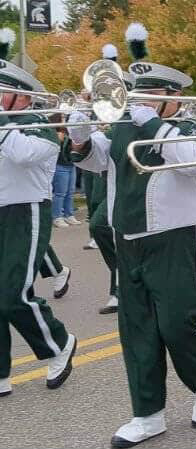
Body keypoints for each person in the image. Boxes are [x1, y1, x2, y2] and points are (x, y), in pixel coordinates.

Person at [69, 23, 196, 447]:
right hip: (129, 238)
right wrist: (81, 132)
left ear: (173, 98)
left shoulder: (195, 127)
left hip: (177, 238)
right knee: (137, 330)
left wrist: (153, 123)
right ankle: (148, 413)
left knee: (178, 325)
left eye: (151, 93)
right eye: (137, 91)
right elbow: (97, 163)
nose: (139, 99)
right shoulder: (123, 125)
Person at [0, 28, 77, 398]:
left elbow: (22, 155)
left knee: (13, 294)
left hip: (26, 212)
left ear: (20, 96)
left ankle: (59, 344)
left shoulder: (44, 126)